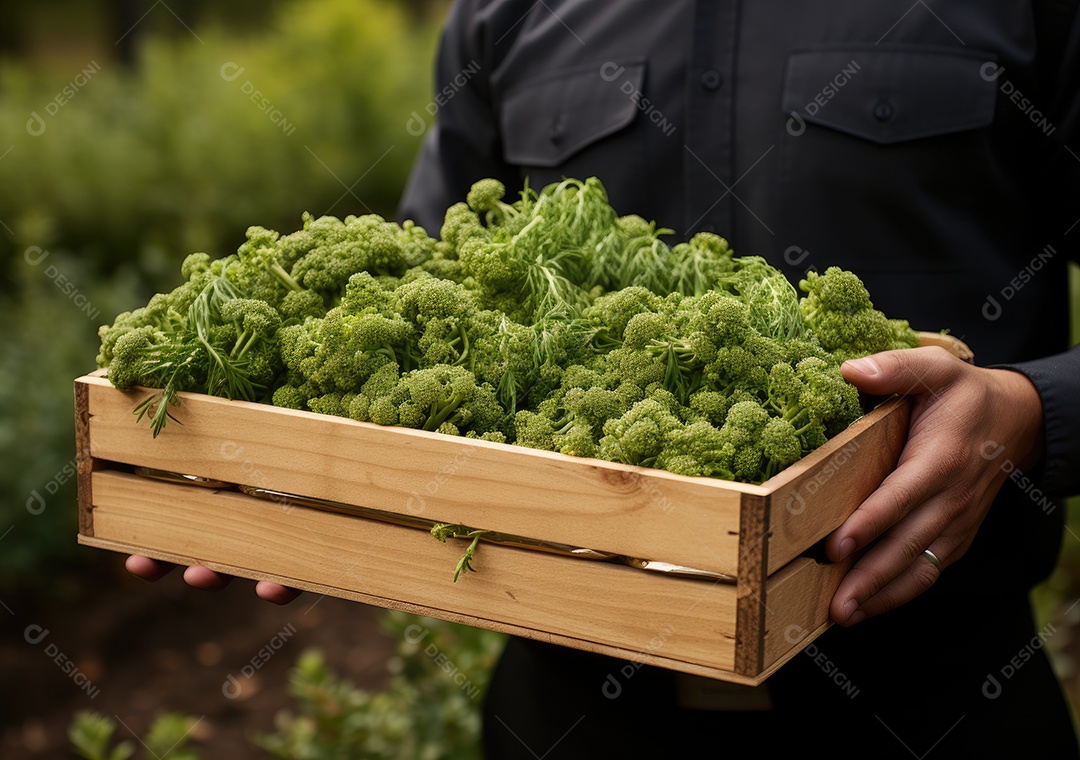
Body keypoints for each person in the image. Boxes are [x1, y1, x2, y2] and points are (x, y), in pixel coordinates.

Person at [131, 1, 1080, 756]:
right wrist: (321, 490)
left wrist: (1030, 411)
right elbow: (415, 279)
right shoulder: (506, 13)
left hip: (940, 701)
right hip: (570, 713)